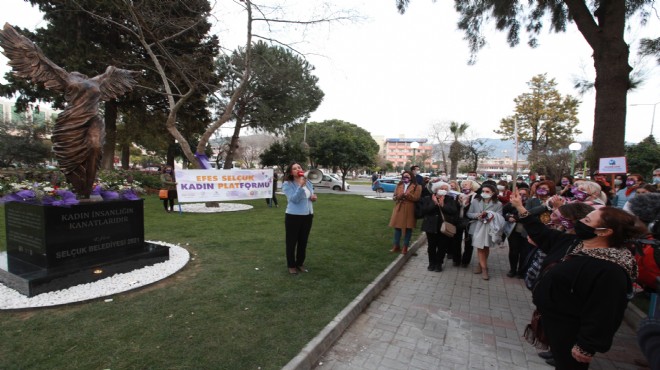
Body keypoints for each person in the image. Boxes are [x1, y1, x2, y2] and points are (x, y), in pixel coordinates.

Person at [510, 191, 644, 369]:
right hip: (555, 321)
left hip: (572, 328)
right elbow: (542, 233)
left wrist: (586, 346)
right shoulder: (575, 243)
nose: (580, 223)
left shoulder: (611, 268)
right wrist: (520, 207)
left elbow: (606, 311)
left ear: (604, 232)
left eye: (587, 221)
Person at [282, 162, 317, 275]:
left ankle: (300, 263)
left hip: (307, 216)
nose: (298, 169)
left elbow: (311, 195)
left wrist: (313, 197)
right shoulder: (287, 184)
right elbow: (294, 199)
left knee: (303, 241)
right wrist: (301, 186)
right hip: (293, 216)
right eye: (294, 168)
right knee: (291, 242)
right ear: (291, 172)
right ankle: (291, 265)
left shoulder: (308, 182)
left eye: (299, 167)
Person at [467, 182, 504, 280]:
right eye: (483, 191)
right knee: (480, 248)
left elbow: (500, 217)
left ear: (493, 193)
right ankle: (484, 269)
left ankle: (480, 264)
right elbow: (469, 214)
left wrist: (490, 215)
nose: (484, 193)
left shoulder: (498, 204)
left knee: (486, 248)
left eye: (487, 191)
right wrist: (477, 215)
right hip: (476, 228)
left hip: (489, 228)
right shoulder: (475, 201)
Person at [420, 181, 459, 272]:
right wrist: (434, 203)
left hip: (444, 226)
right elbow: (424, 211)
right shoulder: (428, 198)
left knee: (442, 246)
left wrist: (442, 205)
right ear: (436, 189)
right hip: (431, 225)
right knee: (431, 246)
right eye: (442, 188)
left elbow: (453, 211)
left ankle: (439, 264)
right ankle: (431, 263)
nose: (443, 190)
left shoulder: (450, 199)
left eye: (446, 189)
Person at [389, 170, 422, 255]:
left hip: (409, 208)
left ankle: (405, 247)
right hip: (399, 208)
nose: (406, 177)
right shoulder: (399, 184)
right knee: (397, 227)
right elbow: (394, 197)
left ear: (411, 176)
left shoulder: (417, 186)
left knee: (408, 228)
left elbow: (416, 198)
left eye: (407, 175)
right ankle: (396, 246)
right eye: (404, 176)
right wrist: (400, 195)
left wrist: (407, 195)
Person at [502, 187, 531, 278]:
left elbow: (530, 215)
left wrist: (516, 217)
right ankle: (512, 270)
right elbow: (503, 212)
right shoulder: (511, 204)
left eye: (524, 195)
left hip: (526, 231)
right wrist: (508, 218)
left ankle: (521, 271)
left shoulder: (530, 203)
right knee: (514, 251)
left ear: (528, 196)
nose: (522, 196)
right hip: (513, 230)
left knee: (524, 252)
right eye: (520, 194)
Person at [452, 179, 480, 267]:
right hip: (459, 221)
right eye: (463, 184)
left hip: (470, 222)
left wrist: (467, 204)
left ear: (472, 186)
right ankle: (456, 260)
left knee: (468, 242)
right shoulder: (459, 195)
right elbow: (454, 209)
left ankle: (465, 261)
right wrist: (459, 203)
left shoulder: (476, 197)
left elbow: (476, 210)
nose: (464, 186)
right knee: (456, 241)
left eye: (466, 184)